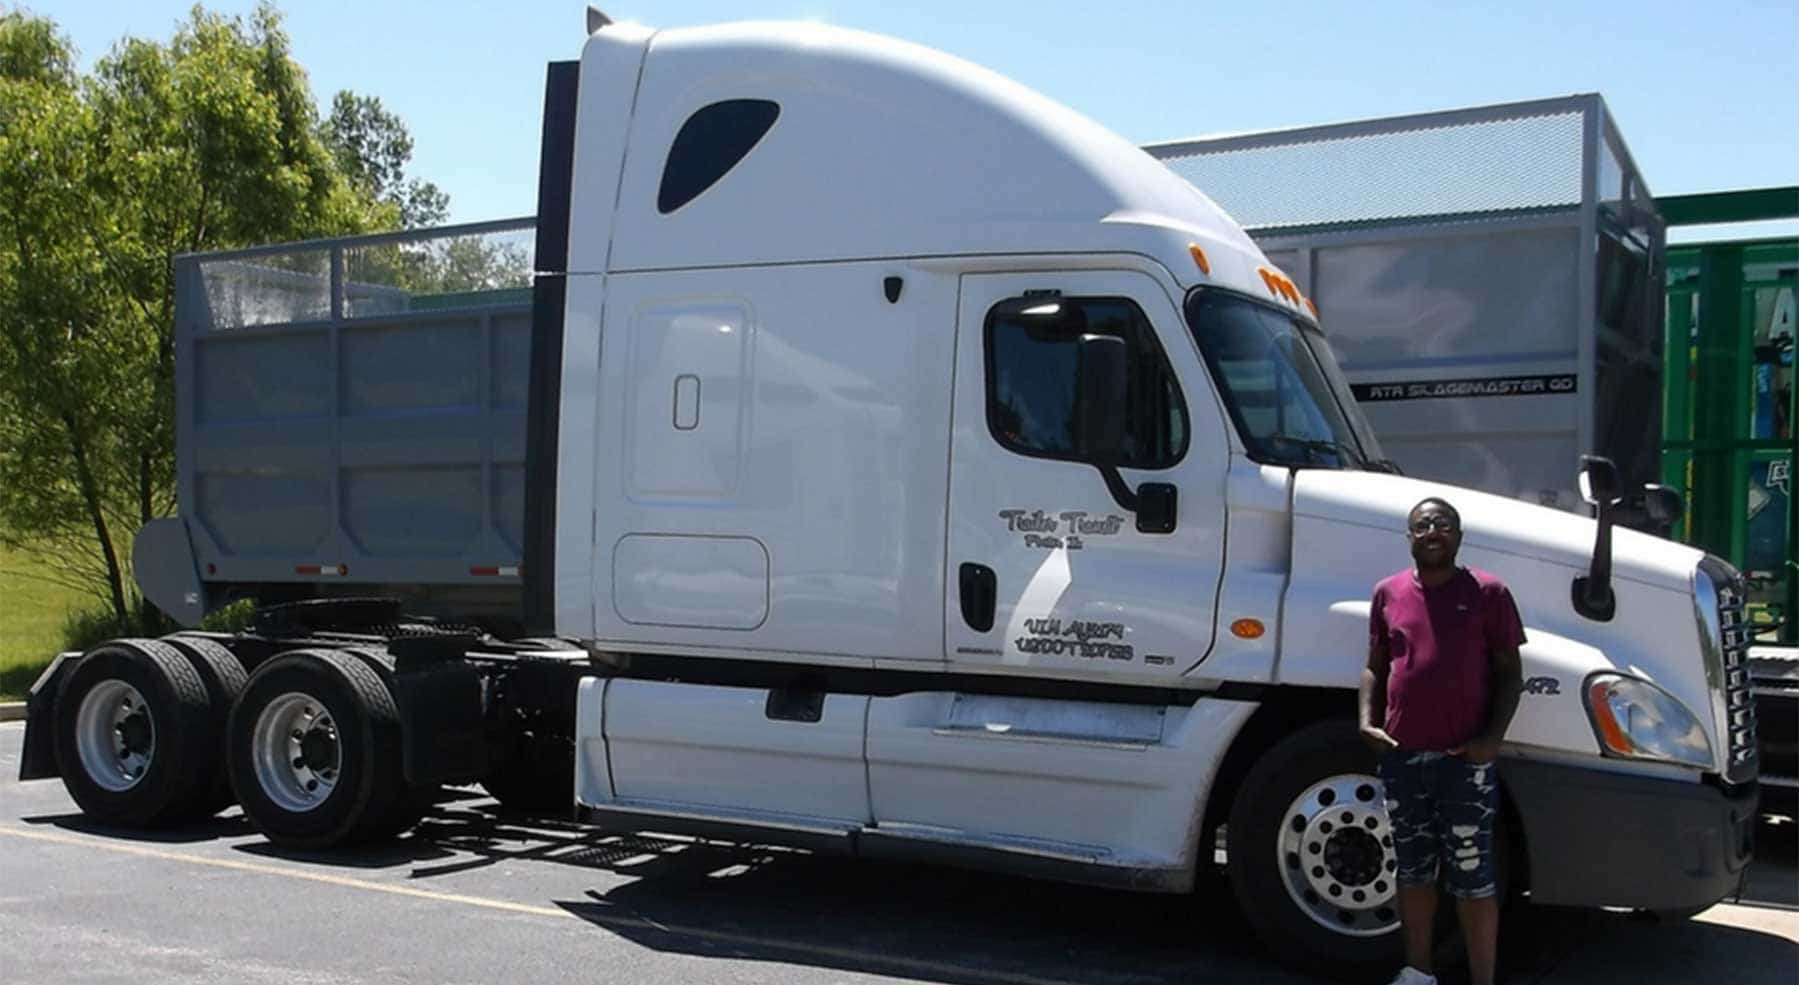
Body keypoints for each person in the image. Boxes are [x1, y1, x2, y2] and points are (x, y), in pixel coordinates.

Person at [1359, 497, 1526, 985]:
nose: (1433, 531)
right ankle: (1417, 973)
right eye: (1422, 525)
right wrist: (1367, 722)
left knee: (1474, 876)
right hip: (1402, 758)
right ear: (1409, 537)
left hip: (1464, 761)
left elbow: (1510, 674)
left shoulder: (1489, 593)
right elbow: (1375, 664)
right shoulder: (1387, 593)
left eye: (1443, 524)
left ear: (1459, 535)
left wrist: (1491, 740)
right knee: (1412, 872)